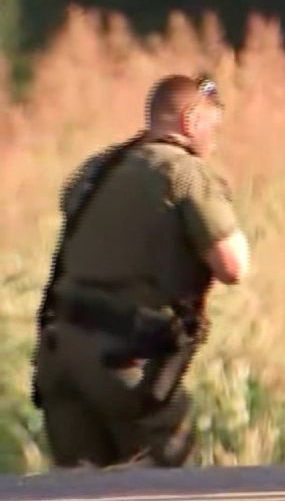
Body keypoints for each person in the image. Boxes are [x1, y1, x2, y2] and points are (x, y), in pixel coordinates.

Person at [31, 74, 251, 468]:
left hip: (60, 356)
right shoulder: (185, 173)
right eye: (211, 128)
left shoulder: (96, 168)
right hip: (122, 364)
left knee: (76, 488)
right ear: (189, 122)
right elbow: (233, 266)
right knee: (169, 479)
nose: (213, 142)